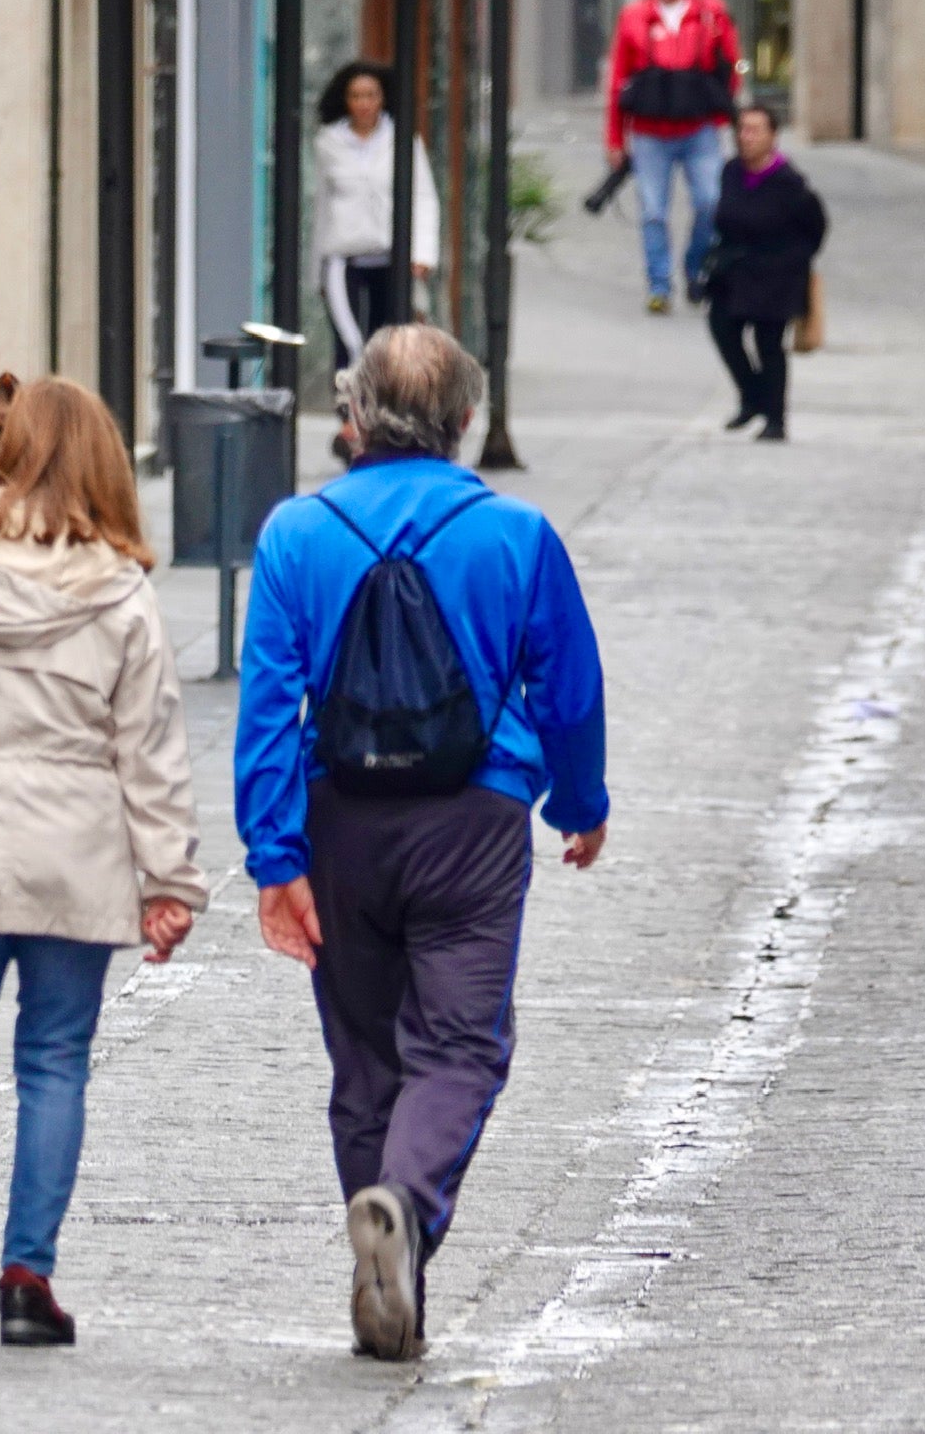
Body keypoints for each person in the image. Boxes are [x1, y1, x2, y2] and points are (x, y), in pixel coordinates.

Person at [235, 325, 608, 1360]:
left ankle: (384, 1258)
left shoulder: (294, 535)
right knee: (460, 1046)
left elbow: (268, 707)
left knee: (364, 1063)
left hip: (338, 821)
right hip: (475, 822)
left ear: (352, 415)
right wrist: (580, 802)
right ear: (467, 421)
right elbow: (568, 688)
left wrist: (275, 859)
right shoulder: (516, 533)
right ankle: (402, 1212)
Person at [0, 375, 206, 1348]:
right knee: (55, 1059)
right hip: (75, 847)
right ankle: (27, 1278)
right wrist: (171, 879)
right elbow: (152, 751)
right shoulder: (122, 591)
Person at [605, 0, 742, 314]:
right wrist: (616, 138)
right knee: (652, 211)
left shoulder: (711, 13)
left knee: (711, 201)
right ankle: (659, 285)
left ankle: (696, 267)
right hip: (650, 133)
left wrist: (727, 116)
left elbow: (730, 67)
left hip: (699, 129)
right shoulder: (634, 16)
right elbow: (619, 80)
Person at [705, 105, 827, 442]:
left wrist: (793, 260)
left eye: (756, 130)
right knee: (722, 327)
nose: (747, 137)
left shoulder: (790, 184)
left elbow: (815, 227)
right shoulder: (731, 171)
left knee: (769, 344)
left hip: (776, 275)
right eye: (743, 129)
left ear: (773, 137)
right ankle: (751, 396)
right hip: (734, 268)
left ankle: (775, 419)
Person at [314, 61, 440, 375]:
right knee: (351, 340)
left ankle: (384, 414)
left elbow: (423, 197)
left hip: (391, 256)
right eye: (356, 95)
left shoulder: (402, 141)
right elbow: (322, 208)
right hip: (344, 257)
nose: (364, 103)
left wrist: (422, 253)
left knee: (388, 342)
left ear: (383, 98)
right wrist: (316, 270)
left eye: (371, 95)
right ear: (345, 100)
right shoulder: (328, 143)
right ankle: (349, 415)